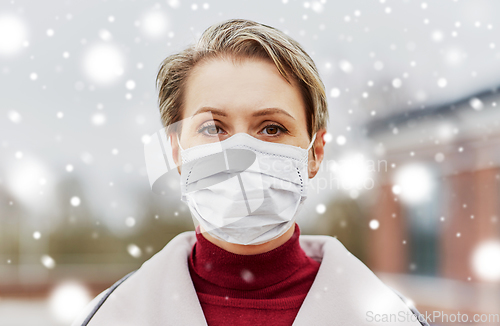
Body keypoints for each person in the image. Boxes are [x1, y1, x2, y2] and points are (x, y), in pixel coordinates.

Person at [71, 19, 428, 326]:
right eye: (213, 128)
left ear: (315, 153)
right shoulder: (109, 317)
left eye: (271, 128)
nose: (240, 154)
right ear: (177, 151)